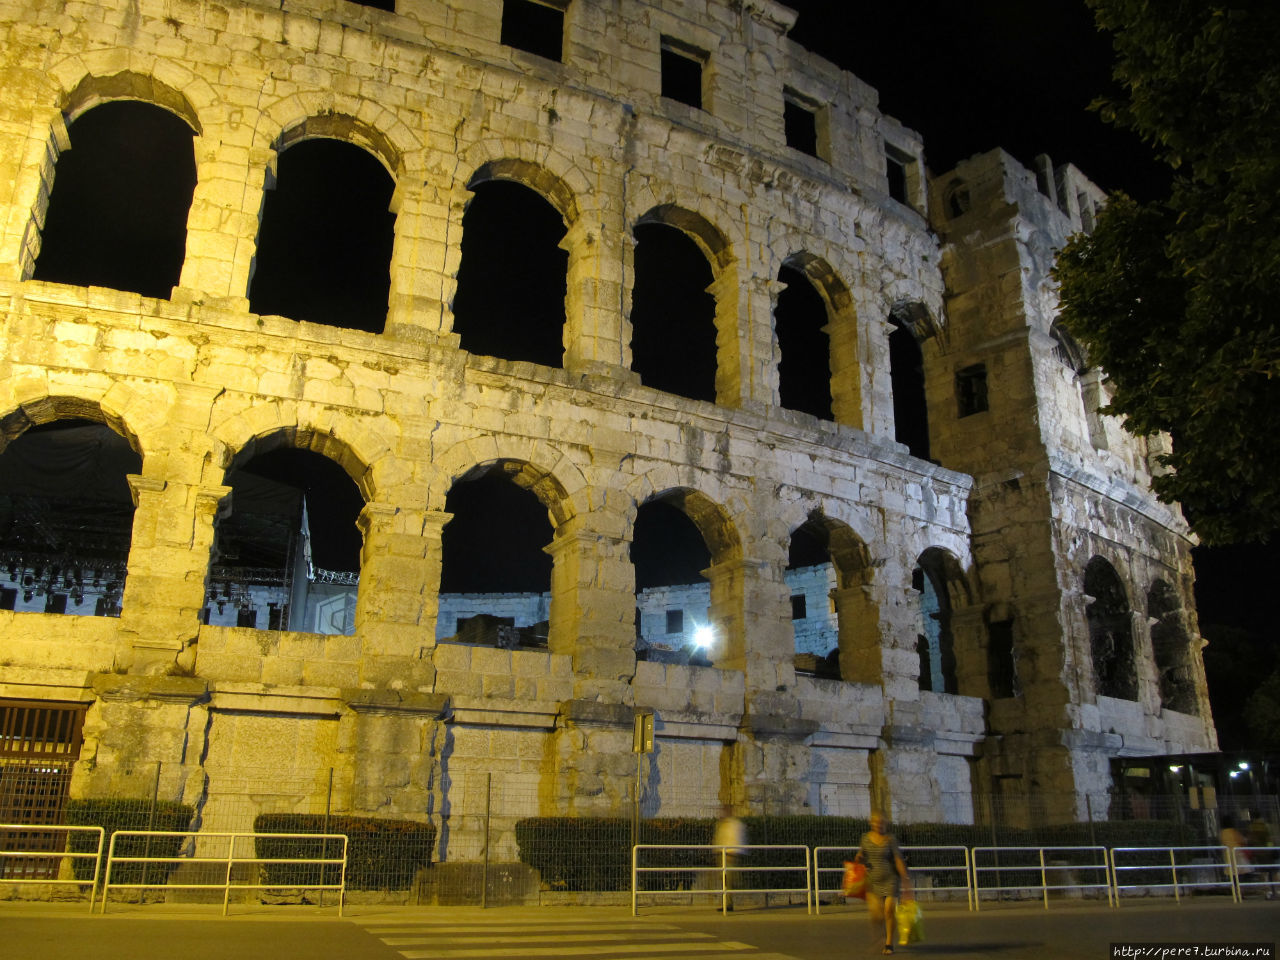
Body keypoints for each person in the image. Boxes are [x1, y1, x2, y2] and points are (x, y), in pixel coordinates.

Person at [855, 810, 912, 955]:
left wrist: (905, 879)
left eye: (881, 823)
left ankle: (889, 943)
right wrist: (859, 858)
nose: (878, 825)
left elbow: (898, 859)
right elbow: (861, 855)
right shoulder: (865, 838)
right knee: (876, 915)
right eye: (875, 822)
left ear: (885, 823)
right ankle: (882, 935)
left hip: (890, 879)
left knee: (889, 910)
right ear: (871, 823)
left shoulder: (890, 839)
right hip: (873, 881)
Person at [713, 805, 747, 911]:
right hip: (723, 855)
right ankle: (727, 903)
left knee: (729, 880)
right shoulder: (724, 824)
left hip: (730, 855)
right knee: (725, 880)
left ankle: (728, 904)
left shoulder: (734, 825)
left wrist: (732, 853)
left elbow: (736, 840)